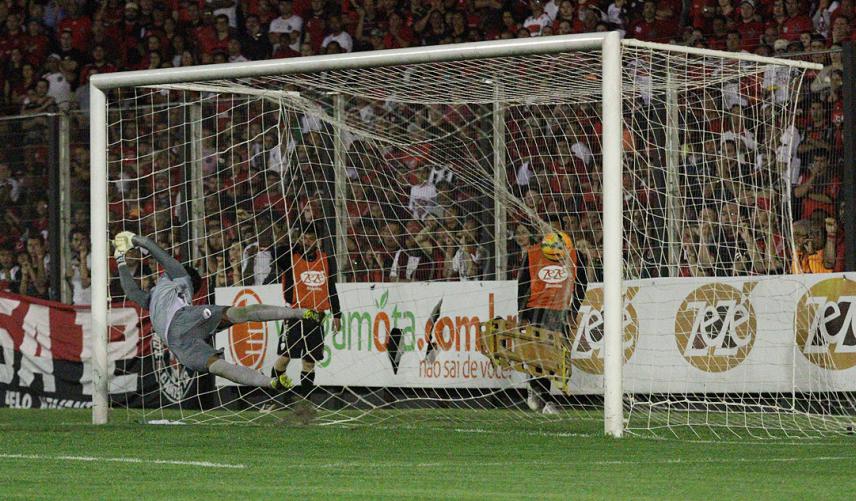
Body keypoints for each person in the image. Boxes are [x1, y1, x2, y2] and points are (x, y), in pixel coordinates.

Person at [113, 231, 317, 390]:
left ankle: (271, 379)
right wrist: (128, 250)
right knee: (237, 322)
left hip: (178, 337)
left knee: (221, 364)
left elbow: (149, 269)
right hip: (183, 331)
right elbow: (135, 285)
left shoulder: (175, 278)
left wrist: (129, 248)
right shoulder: (156, 296)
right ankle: (273, 376)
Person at [517, 230, 587, 414]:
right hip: (536, 310)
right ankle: (544, 398)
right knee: (541, 355)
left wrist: (574, 310)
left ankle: (537, 389)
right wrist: (522, 315)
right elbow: (523, 285)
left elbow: (582, 284)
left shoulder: (576, 256)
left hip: (560, 312)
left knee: (555, 357)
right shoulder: (532, 254)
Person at [271, 223, 342, 400]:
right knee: (285, 358)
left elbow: (331, 288)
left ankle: (306, 400)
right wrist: (294, 242)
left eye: (311, 239)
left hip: (316, 317)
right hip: (295, 315)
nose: (307, 242)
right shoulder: (290, 257)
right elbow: (277, 253)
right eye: (304, 238)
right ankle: (276, 397)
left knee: (310, 362)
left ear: (318, 241)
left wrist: (337, 314)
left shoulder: (325, 259)